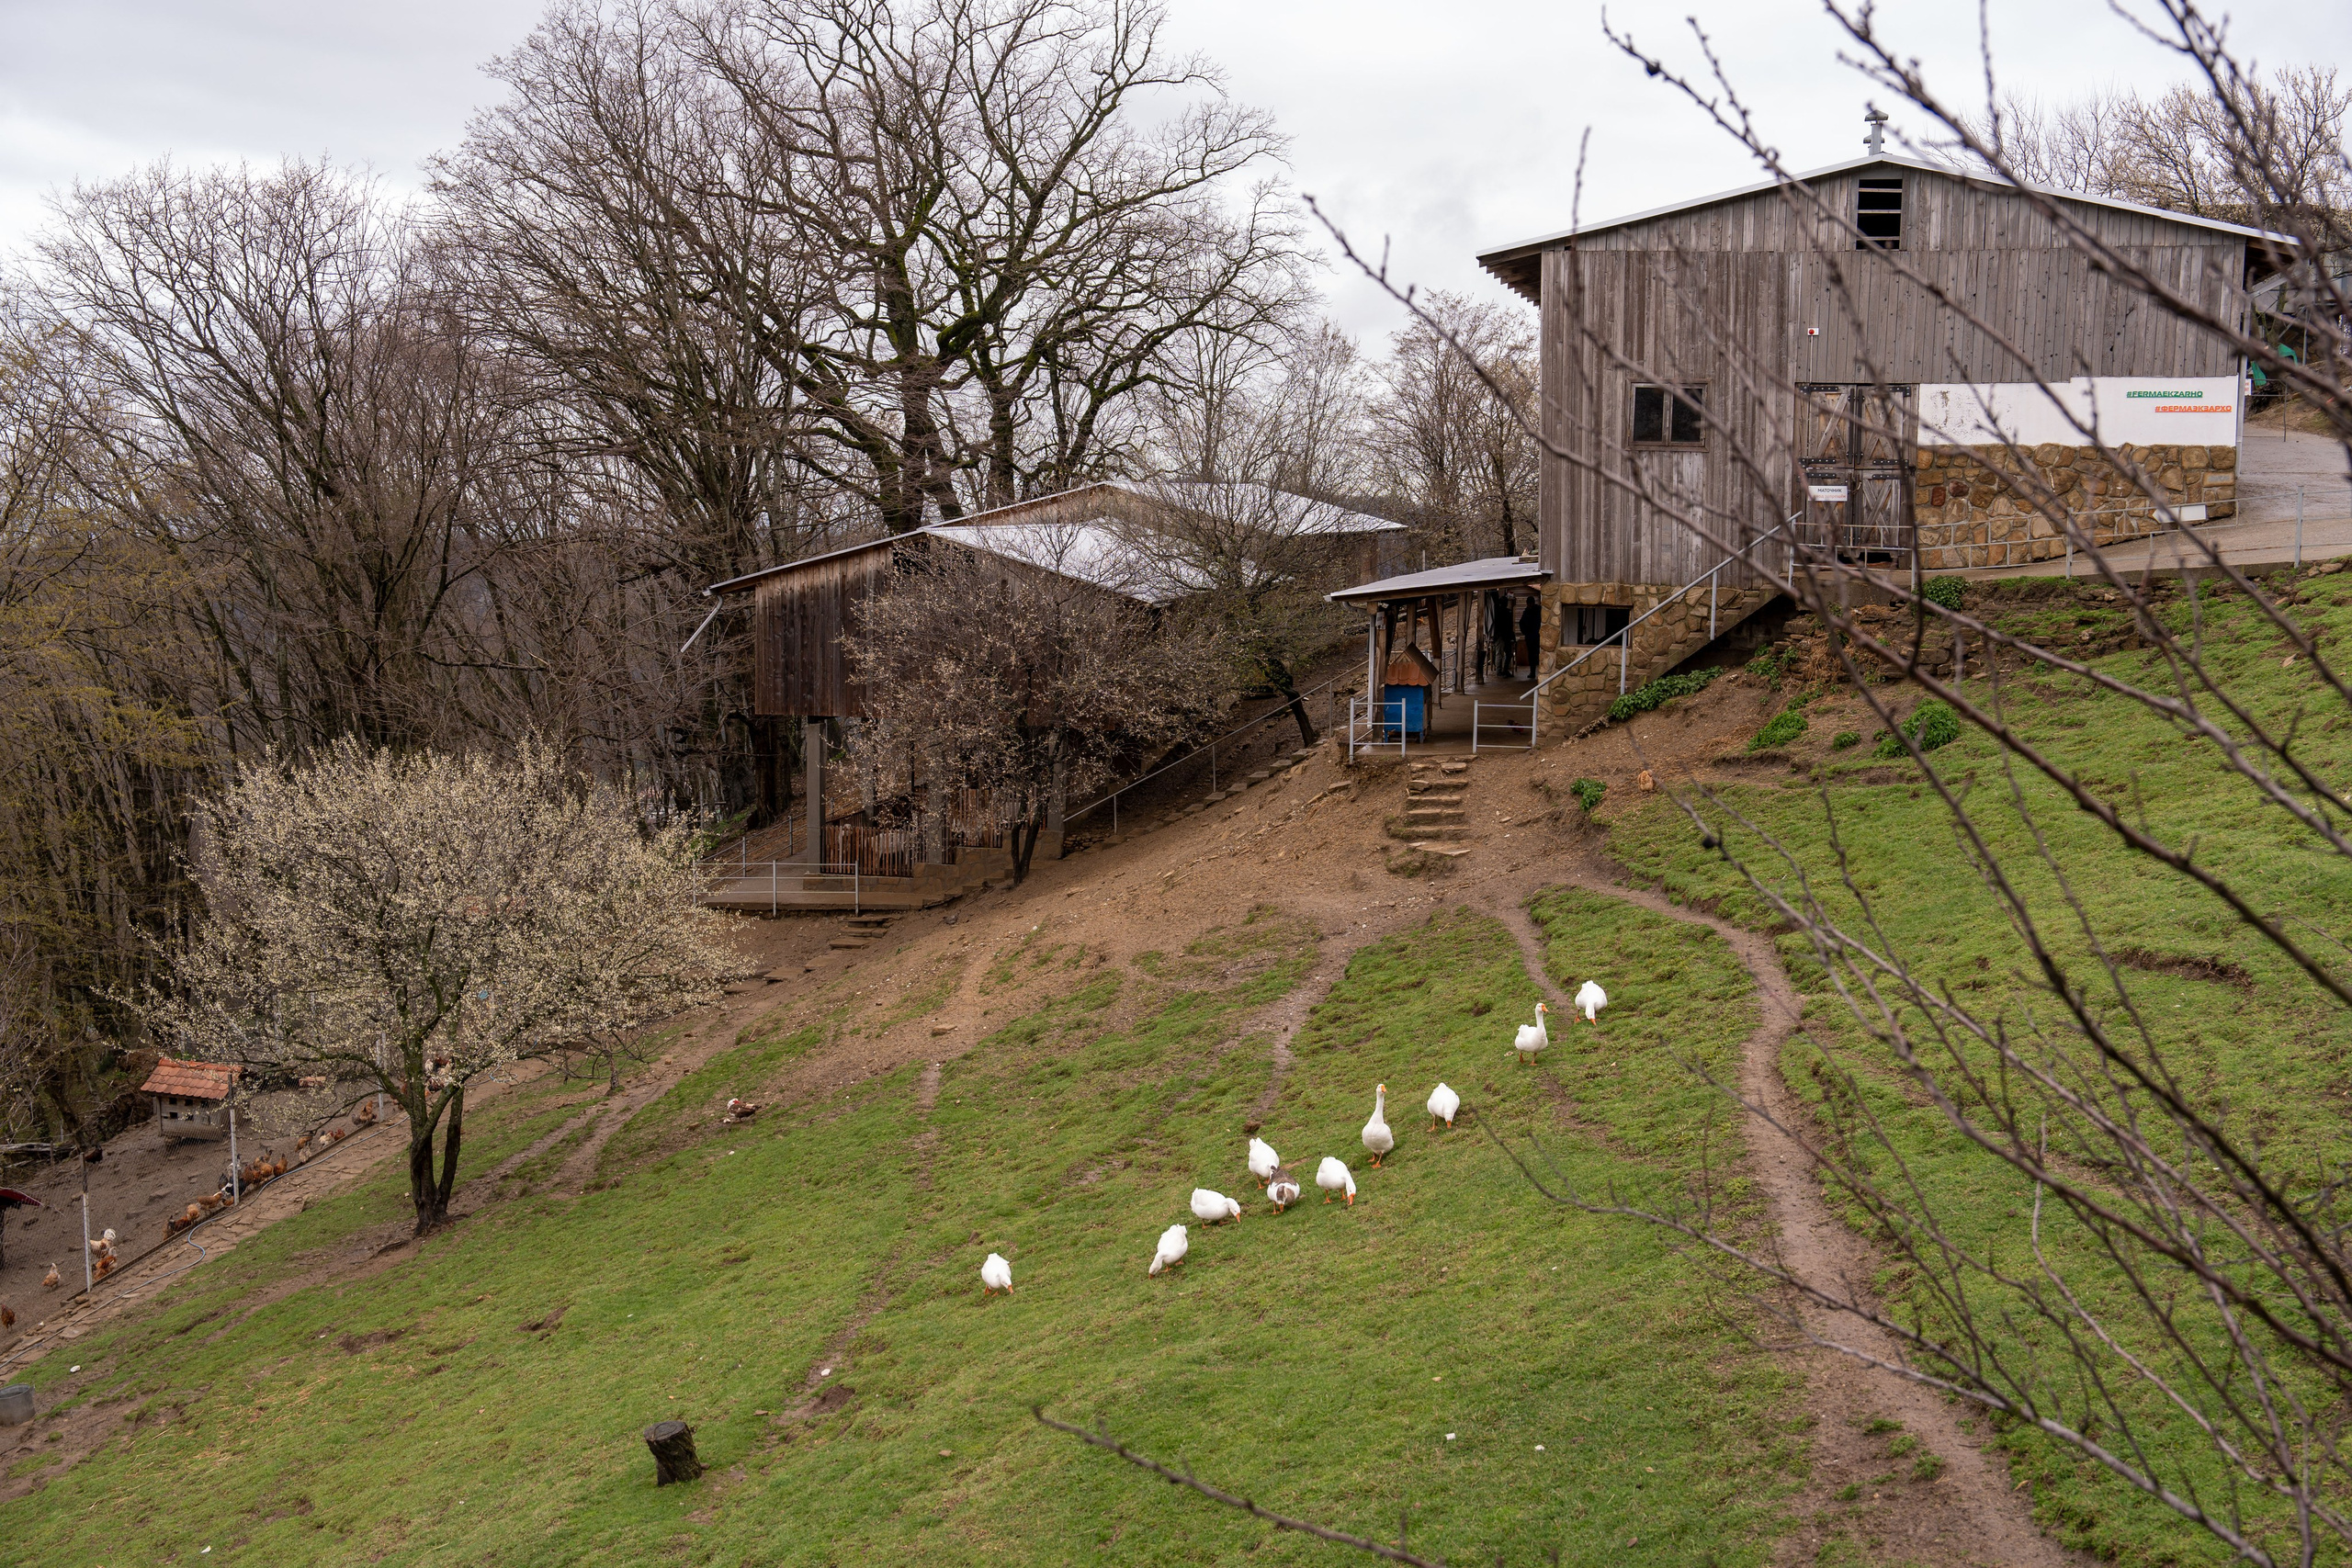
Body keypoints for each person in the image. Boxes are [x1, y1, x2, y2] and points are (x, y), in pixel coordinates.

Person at [1517, 597, 1542, 679]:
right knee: (1532, 655)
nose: (1529, 605)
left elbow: (1521, 623)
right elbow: (1521, 624)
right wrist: (1526, 632)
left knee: (1537, 654)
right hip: (1532, 636)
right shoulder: (1528, 612)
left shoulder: (1537, 610)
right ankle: (1533, 672)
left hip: (1536, 636)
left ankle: (1536, 672)